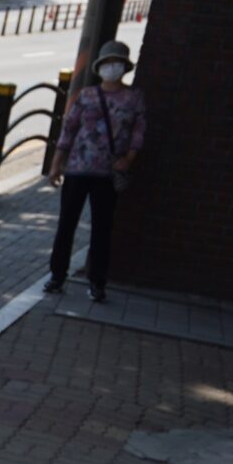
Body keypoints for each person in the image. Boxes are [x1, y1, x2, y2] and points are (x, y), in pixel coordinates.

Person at [43, 37, 145, 303]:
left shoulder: (133, 98)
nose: (112, 67)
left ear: (125, 66)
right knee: (66, 224)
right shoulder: (87, 96)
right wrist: (56, 165)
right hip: (77, 168)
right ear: (100, 66)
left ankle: (97, 281)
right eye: (108, 62)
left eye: (117, 63)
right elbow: (69, 130)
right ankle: (56, 275)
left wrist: (129, 159)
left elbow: (138, 132)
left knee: (102, 229)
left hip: (108, 173)